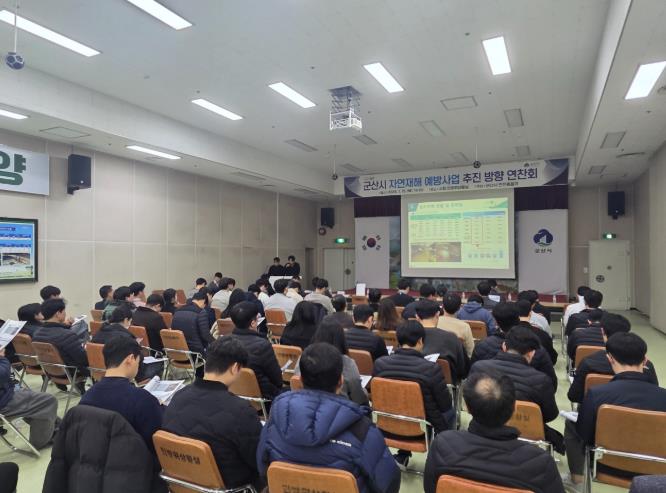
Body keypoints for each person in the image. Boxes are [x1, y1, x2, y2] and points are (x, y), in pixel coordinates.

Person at [257, 343, 401, 493]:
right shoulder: (363, 431)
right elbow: (389, 483)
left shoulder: (275, 420)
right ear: (340, 381)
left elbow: (263, 470)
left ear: (300, 380)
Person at [424, 371, 564, 493]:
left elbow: (431, 488)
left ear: (467, 408)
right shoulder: (540, 464)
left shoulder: (442, 445)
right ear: (514, 410)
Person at [564, 332, 666, 488]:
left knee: (573, 425)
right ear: (645, 360)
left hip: (605, 465)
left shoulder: (597, 394)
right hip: (658, 470)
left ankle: (577, 479)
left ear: (610, 358)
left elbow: (585, 435)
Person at [163, 337, 264, 491]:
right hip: (230, 486)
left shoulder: (178, 396)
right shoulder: (241, 411)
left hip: (184, 484)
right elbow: (259, 460)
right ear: (235, 367)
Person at [471, 326, 562, 452]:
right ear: (531, 353)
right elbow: (550, 415)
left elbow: (472, 402)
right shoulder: (541, 381)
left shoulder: (478, 368)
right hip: (525, 439)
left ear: (504, 346)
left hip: (482, 430)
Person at [80, 337, 162, 453]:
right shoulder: (142, 400)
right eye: (138, 362)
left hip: (97, 456)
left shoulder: (86, 397)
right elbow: (157, 441)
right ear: (130, 359)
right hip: (135, 459)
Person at [373, 320, 453, 436]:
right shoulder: (431, 368)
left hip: (386, 425)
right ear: (420, 341)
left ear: (398, 340)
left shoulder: (380, 364)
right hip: (423, 429)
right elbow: (445, 404)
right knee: (450, 413)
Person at [567, 313, 658, 403]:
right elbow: (654, 392)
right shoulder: (647, 366)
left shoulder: (588, 362)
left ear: (603, 332)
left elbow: (574, 396)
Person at [472, 302, 557, 390]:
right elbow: (552, 384)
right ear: (518, 318)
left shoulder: (482, 346)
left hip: (490, 395)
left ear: (496, 322)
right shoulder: (536, 348)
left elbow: (472, 378)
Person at [295, 319, 368, 405]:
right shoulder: (348, 363)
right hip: (342, 408)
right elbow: (358, 397)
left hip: (306, 403)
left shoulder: (304, 358)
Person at [0, 347, 58, 449]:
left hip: (7, 391)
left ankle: (58, 430)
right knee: (48, 401)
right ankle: (39, 442)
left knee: (35, 398)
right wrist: (1, 357)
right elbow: (2, 375)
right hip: (4, 401)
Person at [91, 305, 163, 381]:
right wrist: (136, 346)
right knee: (159, 365)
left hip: (99, 374)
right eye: (130, 321)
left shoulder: (98, 333)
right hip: (124, 375)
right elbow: (138, 360)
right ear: (126, 320)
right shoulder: (125, 338)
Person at [230, 302, 283, 400]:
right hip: (263, 397)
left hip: (234, 394)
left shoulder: (223, 342)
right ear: (253, 323)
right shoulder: (263, 346)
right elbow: (278, 380)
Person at [33, 298, 89, 391]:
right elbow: (83, 359)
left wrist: (66, 326)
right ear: (58, 313)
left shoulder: (37, 333)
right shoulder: (66, 335)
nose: (65, 314)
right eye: (64, 311)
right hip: (72, 372)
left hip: (50, 372)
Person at [416, 300, 468, 382]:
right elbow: (462, 369)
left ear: (417, 317)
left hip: (414, 382)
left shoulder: (407, 337)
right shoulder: (452, 338)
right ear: (437, 314)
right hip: (446, 385)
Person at [516, 299, 557, 364]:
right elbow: (552, 358)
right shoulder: (542, 334)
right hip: (537, 367)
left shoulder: (508, 333)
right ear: (530, 313)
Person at [437, 293, 474, 358]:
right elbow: (470, 351)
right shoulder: (465, 326)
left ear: (442, 306)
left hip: (435, 359)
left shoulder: (434, 322)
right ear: (459, 308)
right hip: (457, 360)